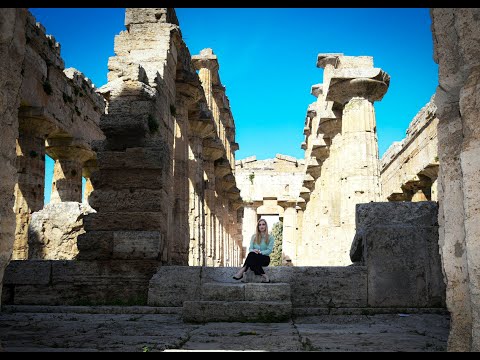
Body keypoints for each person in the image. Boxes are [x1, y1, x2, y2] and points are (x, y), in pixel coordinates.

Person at [233, 218, 275, 283]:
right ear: (258, 227)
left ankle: (242, 270)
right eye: (260, 225)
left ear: (266, 226)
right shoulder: (254, 237)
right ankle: (266, 277)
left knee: (251, 257)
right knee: (252, 256)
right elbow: (250, 248)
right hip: (254, 257)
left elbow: (269, 250)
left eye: (263, 224)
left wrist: (260, 252)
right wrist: (254, 250)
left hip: (265, 258)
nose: (261, 226)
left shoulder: (270, 238)